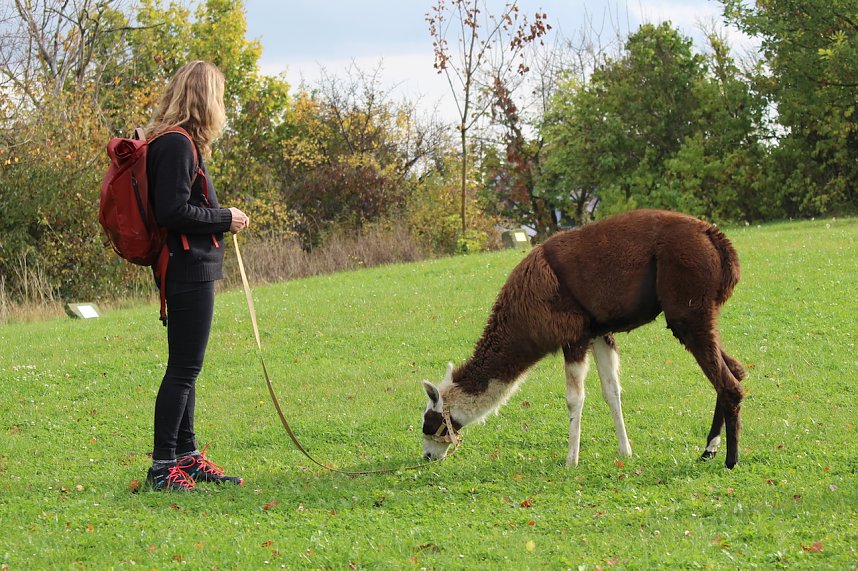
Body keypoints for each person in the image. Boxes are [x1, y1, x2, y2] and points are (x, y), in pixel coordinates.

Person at [143, 60, 249, 491]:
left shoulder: (177, 142)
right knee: (184, 368)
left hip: (189, 266)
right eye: (219, 97)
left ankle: (185, 457)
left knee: (187, 367)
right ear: (205, 99)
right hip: (187, 268)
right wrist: (226, 217)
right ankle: (162, 465)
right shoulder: (177, 145)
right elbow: (173, 210)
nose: (221, 106)